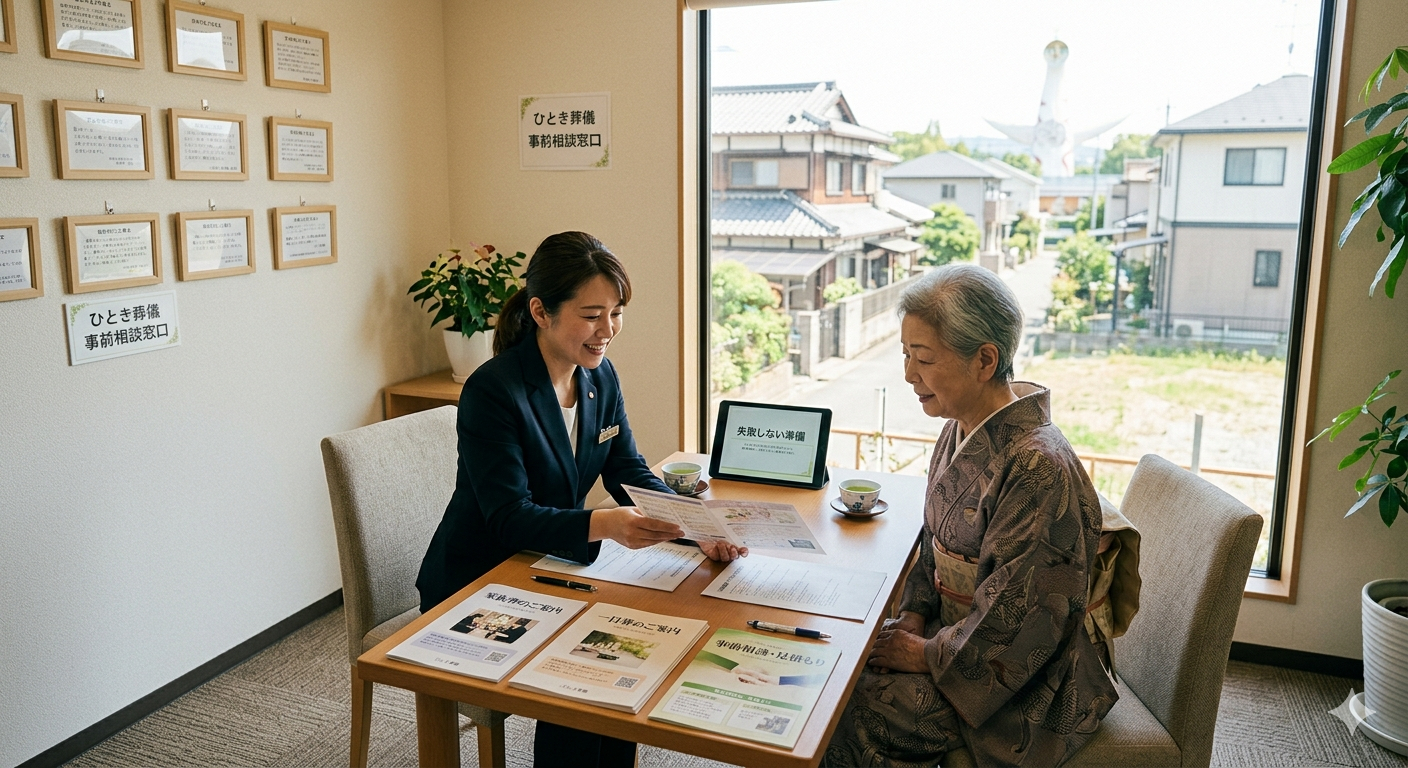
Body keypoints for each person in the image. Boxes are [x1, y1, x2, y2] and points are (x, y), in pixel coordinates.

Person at [416, 231, 745, 768]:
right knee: (585, 672)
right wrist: (606, 525)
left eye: (616, 313)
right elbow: (508, 518)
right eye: (592, 314)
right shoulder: (494, 390)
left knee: (619, 657)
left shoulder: (598, 375)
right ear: (541, 311)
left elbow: (626, 467)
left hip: (547, 564)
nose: (608, 330)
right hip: (478, 578)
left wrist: (693, 525)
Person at [823, 264, 1117, 768]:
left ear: (985, 360)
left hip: (1026, 679)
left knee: (844, 707)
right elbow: (933, 541)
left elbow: (1021, 621)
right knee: (835, 666)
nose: (910, 375)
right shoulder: (960, 423)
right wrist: (914, 611)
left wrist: (922, 653)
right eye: (905, 356)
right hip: (954, 633)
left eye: (924, 359)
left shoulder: (1037, 467)